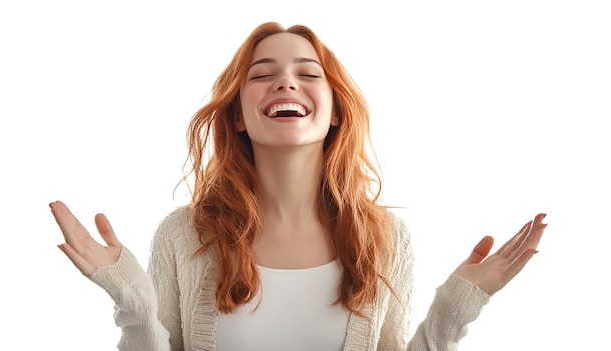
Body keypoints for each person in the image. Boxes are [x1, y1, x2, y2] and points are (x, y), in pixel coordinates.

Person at [50, 22, 547, 351]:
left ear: (333, 111)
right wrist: (135, 307)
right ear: (239, 116)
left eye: (307, 74)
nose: (285, 83)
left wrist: (453, 310)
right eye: (262, 75)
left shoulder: (385, 237)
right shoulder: (185, 234)